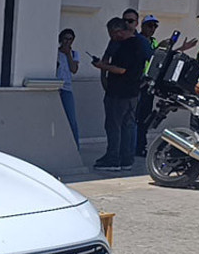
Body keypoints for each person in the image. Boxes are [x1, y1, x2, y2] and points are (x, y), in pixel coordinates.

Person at [92, 17, 148, 171]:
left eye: (112, 33)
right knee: (128, 126)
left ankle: (113, 159)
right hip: (133, 92)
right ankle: (126, 159)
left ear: (119, 31)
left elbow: (121, 69)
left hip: (119, 93)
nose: (111, 37)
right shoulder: (140, 42)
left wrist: (102, 66)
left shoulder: (125, 47)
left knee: (114, 126)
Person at [136, 14, 161, 157]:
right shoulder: (138, 40)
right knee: (136, 117)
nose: (152, 29)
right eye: (149, 25)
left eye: (155, 26)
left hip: (149, 84)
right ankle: (136, 146)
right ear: (143, 26)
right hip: (139, 83)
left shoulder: (153, 42)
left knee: (145, 117)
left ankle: (141, 145)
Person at [57, 28, 81, 149]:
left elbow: (74, 69)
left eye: (70, 39)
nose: (67, 41)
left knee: (71, 118)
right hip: (56, 87)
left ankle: (75, 145)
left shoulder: (74, 54)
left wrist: (68, 54)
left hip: (67, 88)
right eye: (65, 39)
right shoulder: (55, 53)